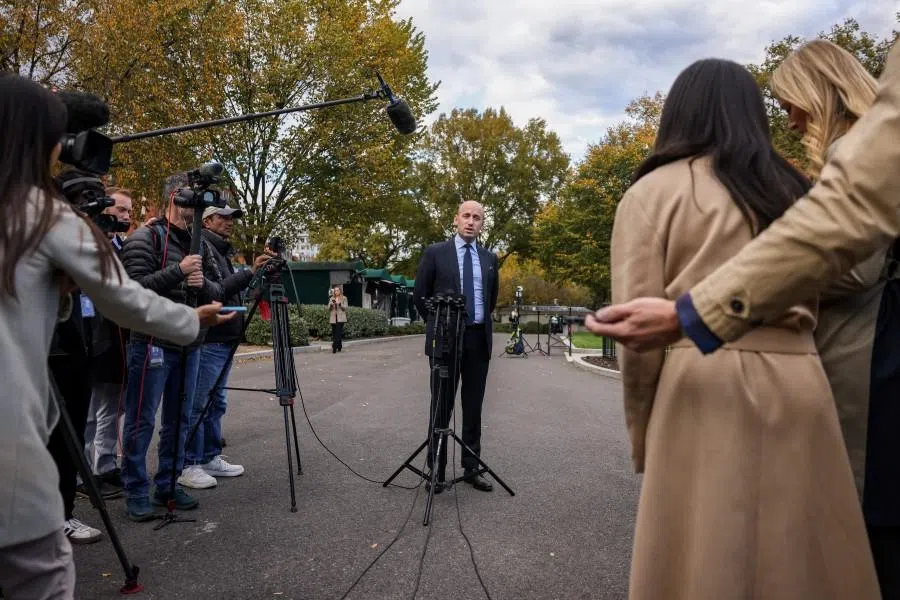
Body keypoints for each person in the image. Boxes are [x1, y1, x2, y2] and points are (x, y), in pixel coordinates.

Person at [609, 58, 879, 599]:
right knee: (798, 564)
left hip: (698, 384)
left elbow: (636, 336)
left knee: (703, 561)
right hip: (801, 383)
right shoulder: (798, 192)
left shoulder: (650, 194)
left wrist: (642, 432)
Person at [0, 74, 232, 600]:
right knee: (43, 576)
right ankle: (130, 490)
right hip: (10, 452)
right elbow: (125, 296)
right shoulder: (42, 213)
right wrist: (192, 321)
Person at [119, 173, 226, 521]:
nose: (190, 208)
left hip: (189, 341)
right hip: (151, 342)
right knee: (141, 419)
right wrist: (179, 271)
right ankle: (135, 489)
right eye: (185, 201)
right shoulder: (145, 237)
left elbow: (216, 288)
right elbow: (134, 291)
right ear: (170, 199)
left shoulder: (200, 243)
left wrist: (202, 281)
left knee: (178, 419)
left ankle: (167, 482)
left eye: (195, 202)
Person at [413, 200, 499, 493]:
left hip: (477, 340)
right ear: (455, 219)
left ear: (482, 224)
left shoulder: (489, 259)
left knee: (473, 408)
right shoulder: (436, 253)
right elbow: (420, 295)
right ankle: (435, 470)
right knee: (441, 405)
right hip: (446, 341)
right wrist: (438, 326)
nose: (471, 221)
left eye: (477, 217)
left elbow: (491, 300)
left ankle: (471, 468)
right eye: (466, 216)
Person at [180, 205, 266, 489]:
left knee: (216, 403)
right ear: (206, 220)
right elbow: (214, 291)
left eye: (231, 218)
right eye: (223, 217)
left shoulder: (221, 250)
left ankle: (209, 456)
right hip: (211, 338)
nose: (229, 223)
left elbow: (230, 290)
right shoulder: (201, 247)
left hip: (225, 338)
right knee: (199, 403)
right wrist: (249, 272)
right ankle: (190, 463)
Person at [82, 186, 133, 499]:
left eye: (128, 211)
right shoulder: (89, 244)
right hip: (93, 337)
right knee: (92, 409)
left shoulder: (121, 245)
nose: (127, 217)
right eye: (121, 211)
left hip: (117, 338)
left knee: (112, 407)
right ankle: (83, 470)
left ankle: (104, 465)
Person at [328, 285, 348, 353]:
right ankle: (339, 346)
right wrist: (331, 305)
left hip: (341, 318)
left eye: (337, 290)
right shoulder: (331, 298)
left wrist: (339, 304)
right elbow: (328, 309)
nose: (336, 292)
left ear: (340, 291)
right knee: (335, 333)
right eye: (335, 290)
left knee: (338, 333)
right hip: (333, 318)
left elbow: (345, 308)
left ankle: (334, 347)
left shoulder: (344, 298)